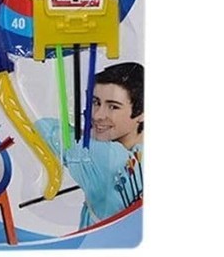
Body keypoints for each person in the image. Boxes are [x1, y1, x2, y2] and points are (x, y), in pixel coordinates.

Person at [36, 61, 144, 229]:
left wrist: (85, 135)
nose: (98, 115)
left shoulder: (107, 158)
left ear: (142, 113)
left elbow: (42, 127)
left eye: (113, 107)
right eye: (95, 102)